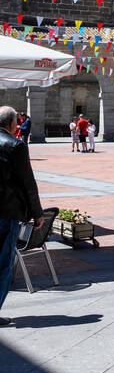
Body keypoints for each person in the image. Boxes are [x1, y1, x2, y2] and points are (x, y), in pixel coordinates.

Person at [0, 103, 45, 327]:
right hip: (6, 212)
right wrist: (37, 213)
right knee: (3, 264)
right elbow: (28, 183)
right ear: (11, 123)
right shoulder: (16, 146)